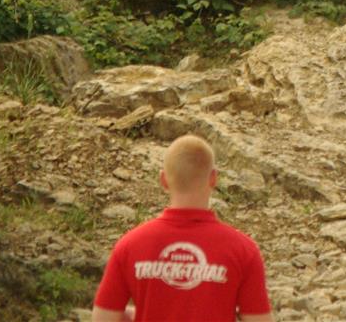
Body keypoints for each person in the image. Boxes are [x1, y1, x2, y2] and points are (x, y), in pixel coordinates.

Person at [91, 134, 272, 322]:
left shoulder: (129, 245)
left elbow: (103, 317)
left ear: (163, 180)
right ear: (213, 179)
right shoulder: (243, 251)